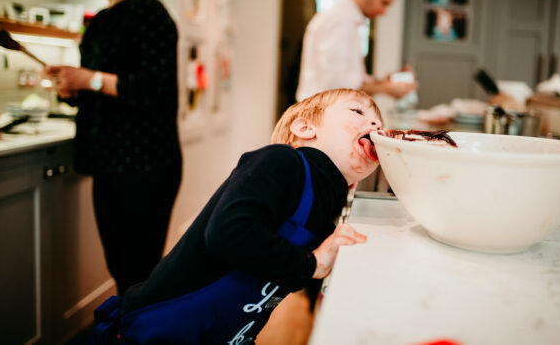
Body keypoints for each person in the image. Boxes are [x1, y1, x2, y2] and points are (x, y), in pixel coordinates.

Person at [86, 88, 382, 344]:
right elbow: (228, 232)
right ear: (305, 129)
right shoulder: (281, 160)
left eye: (379, 123)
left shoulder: (325, 205)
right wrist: (312, 264)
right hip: (159, 330)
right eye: (358, 111)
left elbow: (278, 272)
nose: (374, 123)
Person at [43, 0, 182, 296]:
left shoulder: (150, 12)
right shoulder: (100, 21)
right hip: (108, 163)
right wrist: (73, 89)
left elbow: (156, 91)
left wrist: (88, 78)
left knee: (138, 271)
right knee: (121, 269)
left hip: (146, 164)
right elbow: (104, 95)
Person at [296, 0, 418, 102]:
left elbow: (352, 78)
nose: (384, 12)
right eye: (384, 2)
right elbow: (336, 83)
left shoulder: (349, 20)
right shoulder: (339, 21)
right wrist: (385, 88)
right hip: (321, 111)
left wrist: (384, 82)